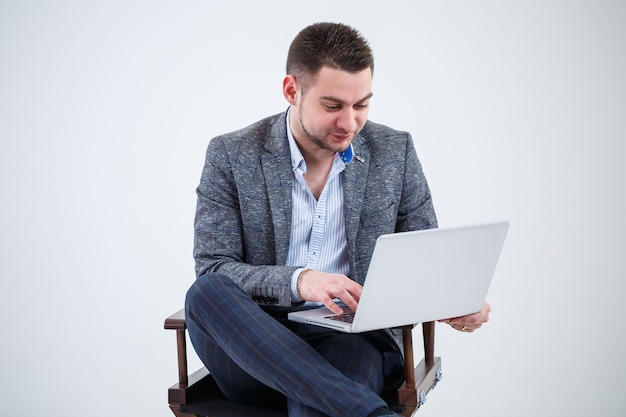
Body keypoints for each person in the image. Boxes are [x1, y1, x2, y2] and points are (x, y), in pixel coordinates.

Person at [185, 22, 491, 417]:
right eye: (333, 106)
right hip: (252, 344)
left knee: (320, 402)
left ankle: (357, 409)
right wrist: (301, 280)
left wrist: (455, 301)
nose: (349, 122)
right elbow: (215, 267)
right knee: (206, 292)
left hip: (352, 339)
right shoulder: (232, 154)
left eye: (361, 104)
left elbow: (422, 263)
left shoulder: (394, 152)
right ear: (292, 90)